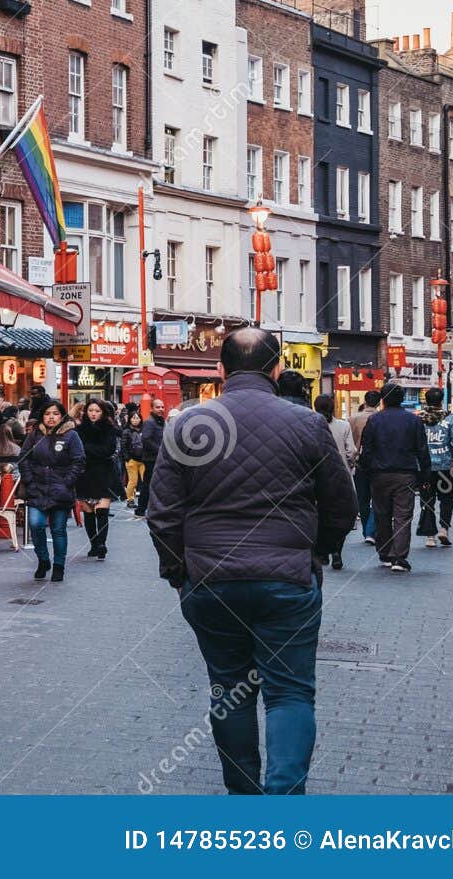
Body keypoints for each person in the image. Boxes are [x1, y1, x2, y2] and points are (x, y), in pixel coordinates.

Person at [146, 328, 355, 795]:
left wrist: (180, 572)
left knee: (228, 691)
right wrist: (317, 550)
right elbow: (342, 504)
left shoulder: (186, 425)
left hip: (211, 579)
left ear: (220, 371)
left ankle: (243, 796)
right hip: (287, 580)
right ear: (277, 370)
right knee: (290, 692)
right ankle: (283, 800)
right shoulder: (306, 424)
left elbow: (161, 514)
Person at [360, 381, 430, 573]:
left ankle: (385, 552)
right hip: (405, 473)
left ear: (383, 399)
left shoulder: (374, 420)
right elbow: (422, 450)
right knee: (402, 516)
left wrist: (366, 471)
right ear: (402, 399)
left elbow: (367, 449)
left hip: (379, 474)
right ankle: (399, 557)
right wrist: (425, 476)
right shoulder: (413, 421)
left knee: (382, 514)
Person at [19, 397, 83, 581]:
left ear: (62, 416)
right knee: (35, 524)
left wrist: (67, 482)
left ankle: (59, 565)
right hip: (37, 489)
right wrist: (29, 480)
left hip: (60, 490)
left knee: (58, 529)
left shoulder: (71, 435)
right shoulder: (34, 435)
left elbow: (78, 462)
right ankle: (43, 559)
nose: (51, 417)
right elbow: (24, 457)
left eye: (55, 414)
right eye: (47, 414)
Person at [313, 394, 356, 570]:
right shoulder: (343, 425)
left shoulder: (309, 423)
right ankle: (337, 550)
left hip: (316, 477)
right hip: (341, 477)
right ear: (333, 407)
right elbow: (351, 451)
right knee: (340, 515)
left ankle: (322, 550)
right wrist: (349, 465)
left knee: (319, 514)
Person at [416, 388, 453, 550]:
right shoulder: (449, 419)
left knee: (427, 500)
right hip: (444, 466)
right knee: (446, 499)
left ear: (425, 401)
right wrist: (451, 454)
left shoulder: (418, 420)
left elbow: (412, 442)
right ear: (441, 401)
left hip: (424, 468)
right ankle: (444, 529)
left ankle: (430, 536)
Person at [76, 399, 120, 560]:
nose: (93, 413)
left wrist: (88, 450)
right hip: (85, 474)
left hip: (104, 473)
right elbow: (78, 450)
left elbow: (108, 450)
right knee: (87, 511)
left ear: (103, 412)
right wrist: (95, 451)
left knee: (102, 511)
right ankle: (94, 544)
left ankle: (101, 544)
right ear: (86, 412)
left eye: (97, 411)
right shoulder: (79, 430)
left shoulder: (109, 429)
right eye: (90, 410)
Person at [348, 388, 380, 545]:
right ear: (379, 402)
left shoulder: (353, 418)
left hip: (360, 461)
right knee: (378, 498)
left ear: (365, 401)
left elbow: (351, 443)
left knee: (363, 498)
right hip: (378, 463)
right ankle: (370, 530)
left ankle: (366, 530)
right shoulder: (381, 418)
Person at [132, 397, 166, 518]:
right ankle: (141, 509)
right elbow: (146, 439)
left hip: (157, 458)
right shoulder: (150, 422)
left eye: (162, 407)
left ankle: (147, 509)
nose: (161, 409)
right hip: (152, 459)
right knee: (148, 484)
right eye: (158, 407)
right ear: (152, 408)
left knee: (154, 484)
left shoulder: (160, 421)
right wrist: (160, 450)